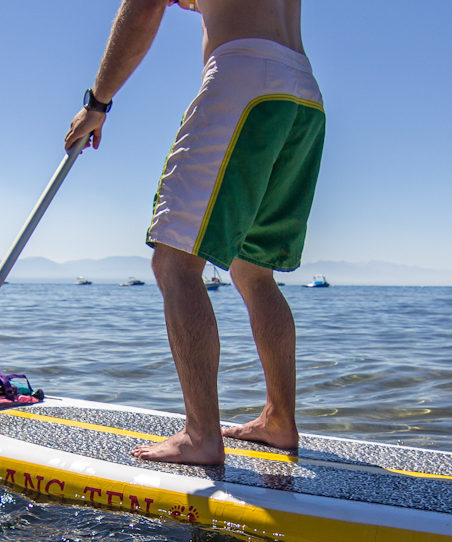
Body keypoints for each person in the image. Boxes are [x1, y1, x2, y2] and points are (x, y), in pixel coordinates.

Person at [65, 0, 324, 465]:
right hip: (303, 93)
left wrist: (97, 104)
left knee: (175, 263)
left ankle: (201, 436)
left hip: (244, 80)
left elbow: (142, 7)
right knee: (254, 272)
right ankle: (279, 420)